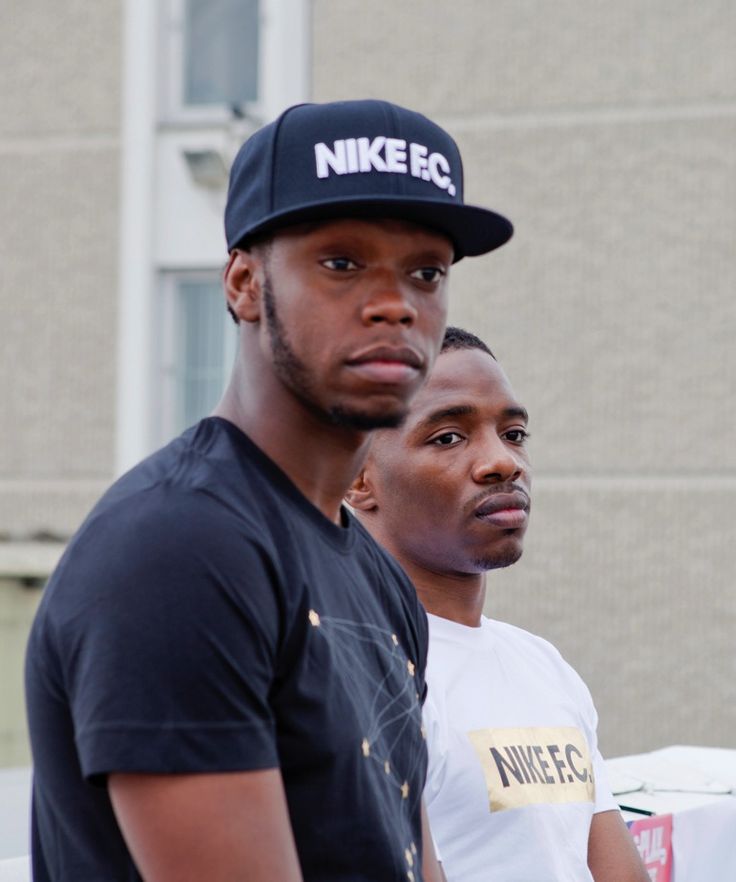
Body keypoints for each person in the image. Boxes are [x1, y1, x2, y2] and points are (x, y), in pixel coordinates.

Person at [24, 102, 514, 882]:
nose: (396, 303)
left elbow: (409, 857)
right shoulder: (178, 550)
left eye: (426, 271)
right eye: (342, 263)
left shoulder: (376, 577)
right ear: (245, 283)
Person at [347, 327, 649, 882]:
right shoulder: (353, 671)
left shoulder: (543, 665)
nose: (503, 462)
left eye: (513, 433)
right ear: (357, 477)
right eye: (448, 438)